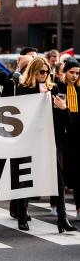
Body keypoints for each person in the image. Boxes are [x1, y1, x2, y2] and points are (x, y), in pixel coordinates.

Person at [15, 57, 77, 233]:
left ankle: (62, 219)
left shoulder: (54, 88)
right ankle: (22, 215)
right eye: (41, 71)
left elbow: (64, 122)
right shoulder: (23, 89)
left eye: (47, 72)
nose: (44, 75)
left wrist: (63, 108)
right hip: (30, 141)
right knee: (26, 178)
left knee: (58, 181)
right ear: (33, 72)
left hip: (51, 141)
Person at [58, 58, 80, 221]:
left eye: (77, 73)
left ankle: (79, 208)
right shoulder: (58, 89)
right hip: (62, 138)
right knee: (61, 174)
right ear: (65, 73)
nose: (74, 76)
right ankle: (58, 207)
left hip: (77, 137)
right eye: (71, 72)